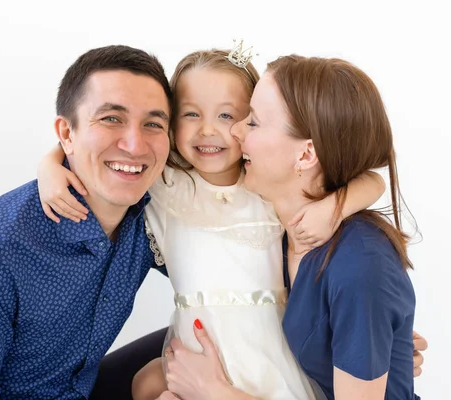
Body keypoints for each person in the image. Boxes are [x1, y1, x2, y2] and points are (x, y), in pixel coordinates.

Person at [37, 47, 386, 399]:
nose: (207, 130)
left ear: (251, 121)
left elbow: (373, 180)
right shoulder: (161, 183)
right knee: (146, 384)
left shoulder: (264, 185)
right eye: (190, 114)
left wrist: (334, 208)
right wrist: (50, 165)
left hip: (266, 354)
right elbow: (85, 142)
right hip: (194, 350)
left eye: (226, 115)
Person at [0, 45, 172, 399]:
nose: (135, 144)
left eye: (153, 124)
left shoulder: (149, 218)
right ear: (66, 134)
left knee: (207, 342)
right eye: (111, 118)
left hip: (79, 389)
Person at [157, 55, 422, 399]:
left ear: (306, 154)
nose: (234, 130)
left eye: (251, 122)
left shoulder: (358, 263)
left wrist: (213, 391)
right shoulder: (283, 236)